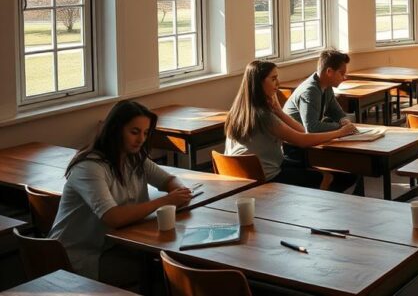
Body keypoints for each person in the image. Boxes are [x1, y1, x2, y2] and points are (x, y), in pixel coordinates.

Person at [49, 100, 194, 282]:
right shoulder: (90, 167)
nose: (141, 139)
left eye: (145, 133)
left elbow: (169, 179)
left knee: (169, 265)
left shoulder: (134, 158)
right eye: (134, 132)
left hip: (116, 245)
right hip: (80, 257)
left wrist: (178, 190)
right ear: (116, 129)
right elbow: (113, 217)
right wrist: (165, 201)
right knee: (161, 272)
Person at [224, 60, 357, 189]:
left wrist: (279, 111)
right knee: (328, 177)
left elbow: (303, 131)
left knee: (306, 168)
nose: (278, 83)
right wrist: (340, 132)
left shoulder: (236, 112)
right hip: (266, 178)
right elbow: (302, 140)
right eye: (273, 79)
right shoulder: (264, 116)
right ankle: (319, 208)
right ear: (259, 83)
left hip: (238, 176)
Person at [283, 49, 352, 133]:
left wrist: (344, 120)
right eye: (341, 73)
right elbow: (311, 127)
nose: (344, 77)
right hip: (294, 141)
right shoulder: (310, 91)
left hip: (308, 138)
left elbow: (336, 111)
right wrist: (340, 127)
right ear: (329, 72)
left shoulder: (327, 86)